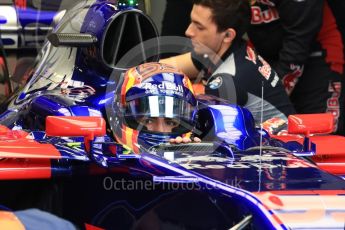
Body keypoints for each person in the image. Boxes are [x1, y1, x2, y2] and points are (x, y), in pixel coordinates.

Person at [160, 0, 295, 125]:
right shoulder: (231, 50)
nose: (188, 31)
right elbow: (163, 67)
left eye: (199, 27)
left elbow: (200, 133)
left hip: (279, 147)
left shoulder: (226, 81)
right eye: (191, 22)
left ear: (228, 35)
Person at [248, 0, 345, 135]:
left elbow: (298, 41)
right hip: (267, 54)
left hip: (317, 55)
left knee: (321, 134)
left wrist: (272, 97)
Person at [110, 62, 200, 153]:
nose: (161, 130)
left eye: (171, 122)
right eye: (148, 121)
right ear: (120, 115)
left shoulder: (190, 155)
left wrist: (189, 160)